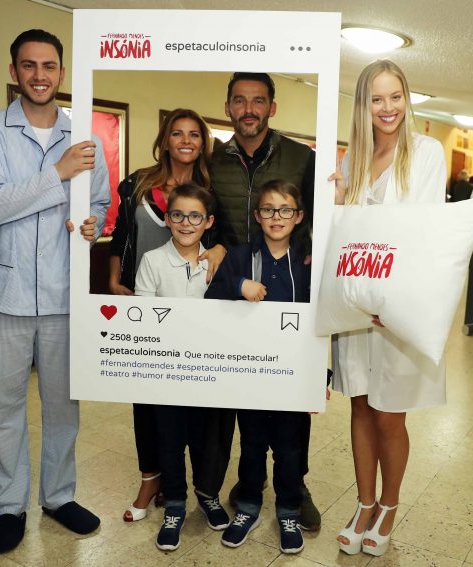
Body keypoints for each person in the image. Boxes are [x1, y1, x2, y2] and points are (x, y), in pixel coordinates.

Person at [0, 29, 110, 554]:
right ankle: (9, 505)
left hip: (62, 296)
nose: (39, 75)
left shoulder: (85, 137)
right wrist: (58, 172)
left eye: (49, 66)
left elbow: (100, 203)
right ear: (14, 71)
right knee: (2, 408)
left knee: (63, 407)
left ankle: (58, 496)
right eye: (29, 65)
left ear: (62, 73)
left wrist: (93, 223)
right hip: (0, 296)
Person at [330, 59, 447, 557]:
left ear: (406, 98)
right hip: (356, 305)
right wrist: (338, 199)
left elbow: (424, 232)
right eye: (376, 98)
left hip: (395, 308)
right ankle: (364, 503)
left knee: (388, 414)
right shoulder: (352, 160)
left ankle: (389, 506)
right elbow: (344, 234)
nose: (387, 107)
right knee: (359, 404)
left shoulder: (425, 152)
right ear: (363, 104)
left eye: (395, 96)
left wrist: (393, 300)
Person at [209, 72, 322, 532]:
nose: (249, 109)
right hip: (238, 287)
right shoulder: (214, 160)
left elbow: (319, 212)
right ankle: (249, 481)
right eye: (239, 100)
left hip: (290, 281)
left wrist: (312, 251)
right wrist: (217, 250)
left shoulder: (301, 156)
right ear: (228, 107)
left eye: (258, 101)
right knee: (248, 402)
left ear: (272, 107)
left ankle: (296, 487)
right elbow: (204, 210)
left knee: (293, 409)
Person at [108, 110, 228, 529]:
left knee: (194, 408)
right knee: (148, 399)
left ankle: (200, 487)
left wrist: (219, 250)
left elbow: (225, 237)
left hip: (196, 303)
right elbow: (121, 235)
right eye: (177, 133)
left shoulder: (213, 189)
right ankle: (151, 479)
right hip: (144, 295)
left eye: (194, 134)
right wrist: (114, 279)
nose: (185, 140)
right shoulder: (137, 183)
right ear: (164, 139)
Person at [206, 180, 311, 554]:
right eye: (268, 209)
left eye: (285, 210)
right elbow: (212, 295)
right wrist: (239, 285)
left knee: (290, 448)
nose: (276, 217)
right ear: (257, 215)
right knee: (251, 444)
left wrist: (319, 376)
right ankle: (248, 506)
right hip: (249, 373)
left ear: (298, 216)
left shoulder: (308, 262)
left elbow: (322, 321)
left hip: (293, 377)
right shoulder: (240, 257)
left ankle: (288, 511)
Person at [133, 183, 227, 551]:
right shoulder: (152, 261)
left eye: (195, 216)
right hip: (165, 374)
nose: (186, 223)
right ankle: (174, 503)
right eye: (178, 215)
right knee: (169, 440)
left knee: (207, 440)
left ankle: (207, 494)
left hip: (208, 373)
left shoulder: (218, 263)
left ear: (209, 222)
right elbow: (142, 317)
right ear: (168, 219)